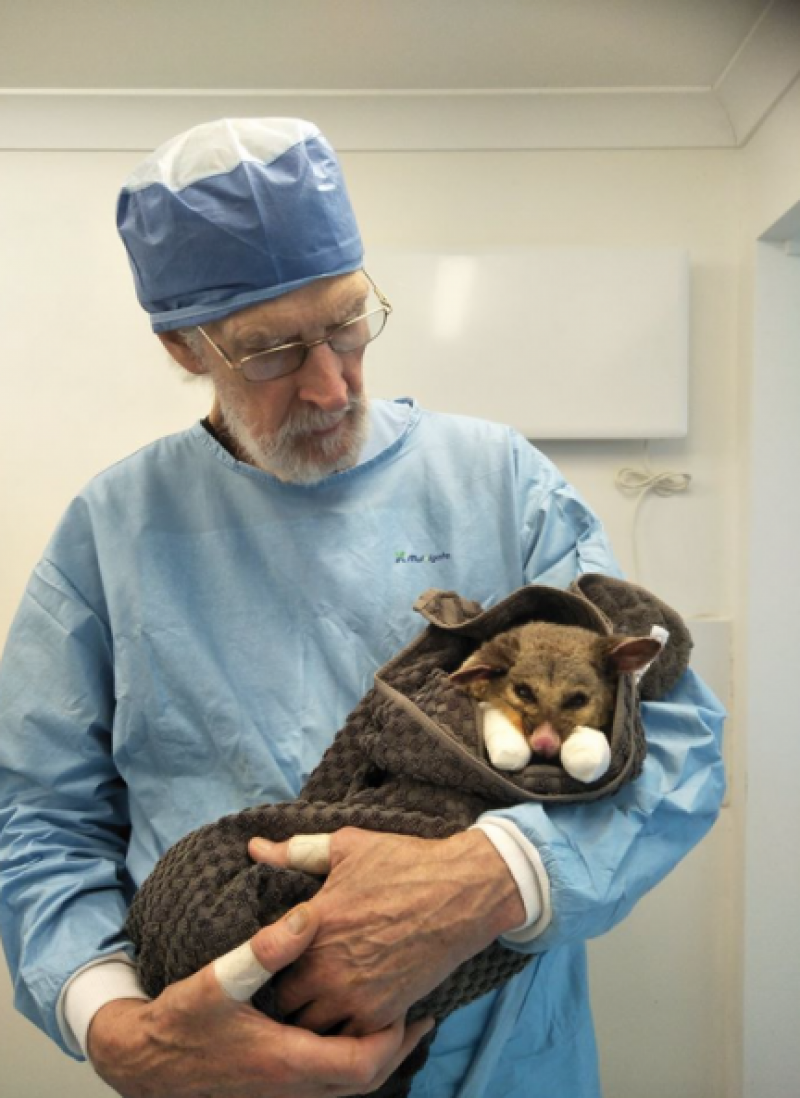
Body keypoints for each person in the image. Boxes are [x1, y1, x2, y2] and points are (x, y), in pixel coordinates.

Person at [0, 117, 725, 1098]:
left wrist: (492, 878)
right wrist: (117, 1027)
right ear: (182, 348)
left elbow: (673, 738)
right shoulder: (113, 529)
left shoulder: (497, 483)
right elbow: (38, 817)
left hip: (505, 1067)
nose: (332, 383)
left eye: (346, 322)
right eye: (269, 352)